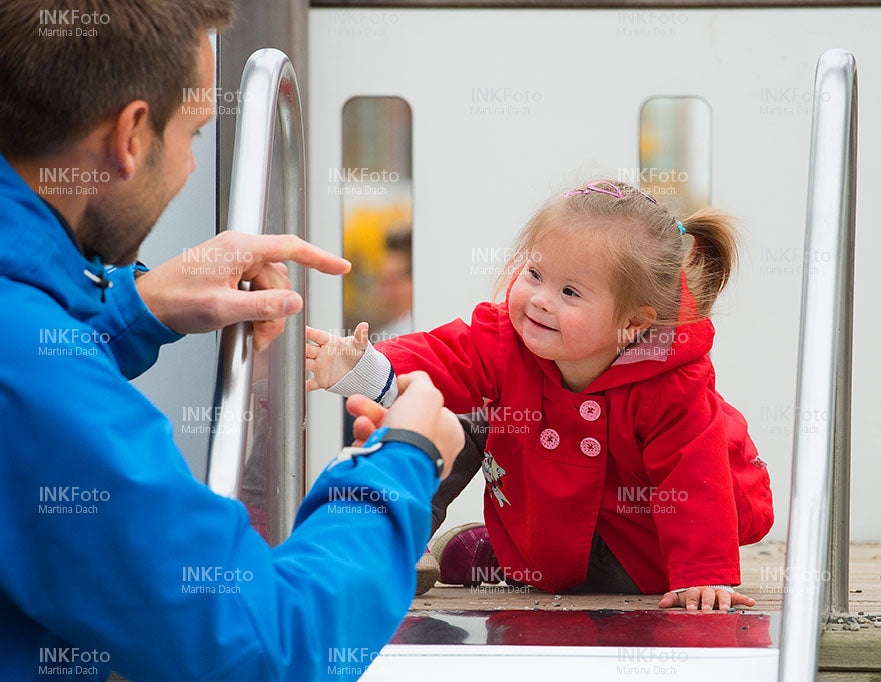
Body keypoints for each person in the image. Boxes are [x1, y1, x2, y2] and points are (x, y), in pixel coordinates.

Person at [0, 2, 464, 680]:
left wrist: (135, 308)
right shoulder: (36, 381)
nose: (193, 166)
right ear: (130, 135)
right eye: (191, 133)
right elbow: (263, 647)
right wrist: (406, 461)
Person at [305, 179, 775, 612]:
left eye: (569, 292)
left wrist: (702, 574)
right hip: (543, 523)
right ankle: (398, 536)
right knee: (455, 414)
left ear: (632, 322)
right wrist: (360, 366)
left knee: (554, 559)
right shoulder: (508, 339)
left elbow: (695, 474)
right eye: (534, 273)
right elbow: (444, 357)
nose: (540, 299)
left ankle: (502, 558)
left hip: (633, 554)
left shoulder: (671, 385)